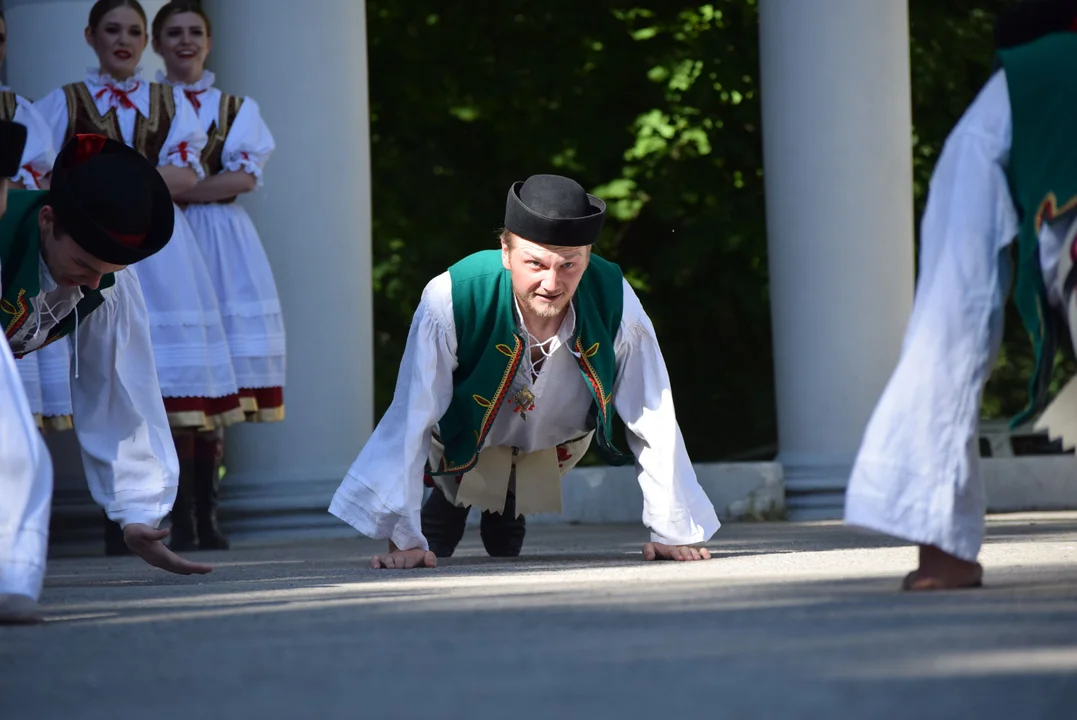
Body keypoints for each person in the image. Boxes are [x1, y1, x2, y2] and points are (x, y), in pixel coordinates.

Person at [329, 173, 720, 569]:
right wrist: (404, 536)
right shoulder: (451, 297)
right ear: (505, 250)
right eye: (535, 263)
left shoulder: (614, 297)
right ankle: (448, 498)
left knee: (506, 527)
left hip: (557, 438)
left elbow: (652, 412)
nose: (552, 283)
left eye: (570, 264)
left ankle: (508, 504)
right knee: (441, 518)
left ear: (588, 255)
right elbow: (412, 413)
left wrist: (674, 531)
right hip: (461, 436)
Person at [844, 0, 1077, 590]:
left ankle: (944, 551)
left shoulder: (1011, 99)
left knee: (947, 321)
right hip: (1034, 105)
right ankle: (942, 550)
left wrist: (941, 547)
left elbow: (955, 317)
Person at [33, 0, 245, 555]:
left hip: (161, 248)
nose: (123, 40)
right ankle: (119, 517)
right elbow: (45, 172)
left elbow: (187, 171)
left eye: (133, 30)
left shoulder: (169, 99)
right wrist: (134, 183)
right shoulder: (64, 101)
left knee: (163, 375)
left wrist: (106, 183)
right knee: (102, 367)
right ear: (91, 36)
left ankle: (171, 514)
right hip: (88, 238)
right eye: (112, 30)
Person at [0, 131, 213, 624]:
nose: (94, 281)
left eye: (107, 269)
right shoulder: (6, 234)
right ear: (47, 220)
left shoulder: (106, 281)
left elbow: (117, 386)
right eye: (83, 263)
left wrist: (137, 512)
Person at [150, 1, 286, 550]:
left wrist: (174, 188)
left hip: (219, 241)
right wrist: (205, 183)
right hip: (161, 241)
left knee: (218, 375)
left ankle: (207, 511)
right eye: (174, 33)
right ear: (156, 44)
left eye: (195, 33)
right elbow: (224, 178)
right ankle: (177, 512)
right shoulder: (146, 104)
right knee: (180, 374)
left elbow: (244, 181)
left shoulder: (234, 106)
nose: (185, 42)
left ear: (208, 42)